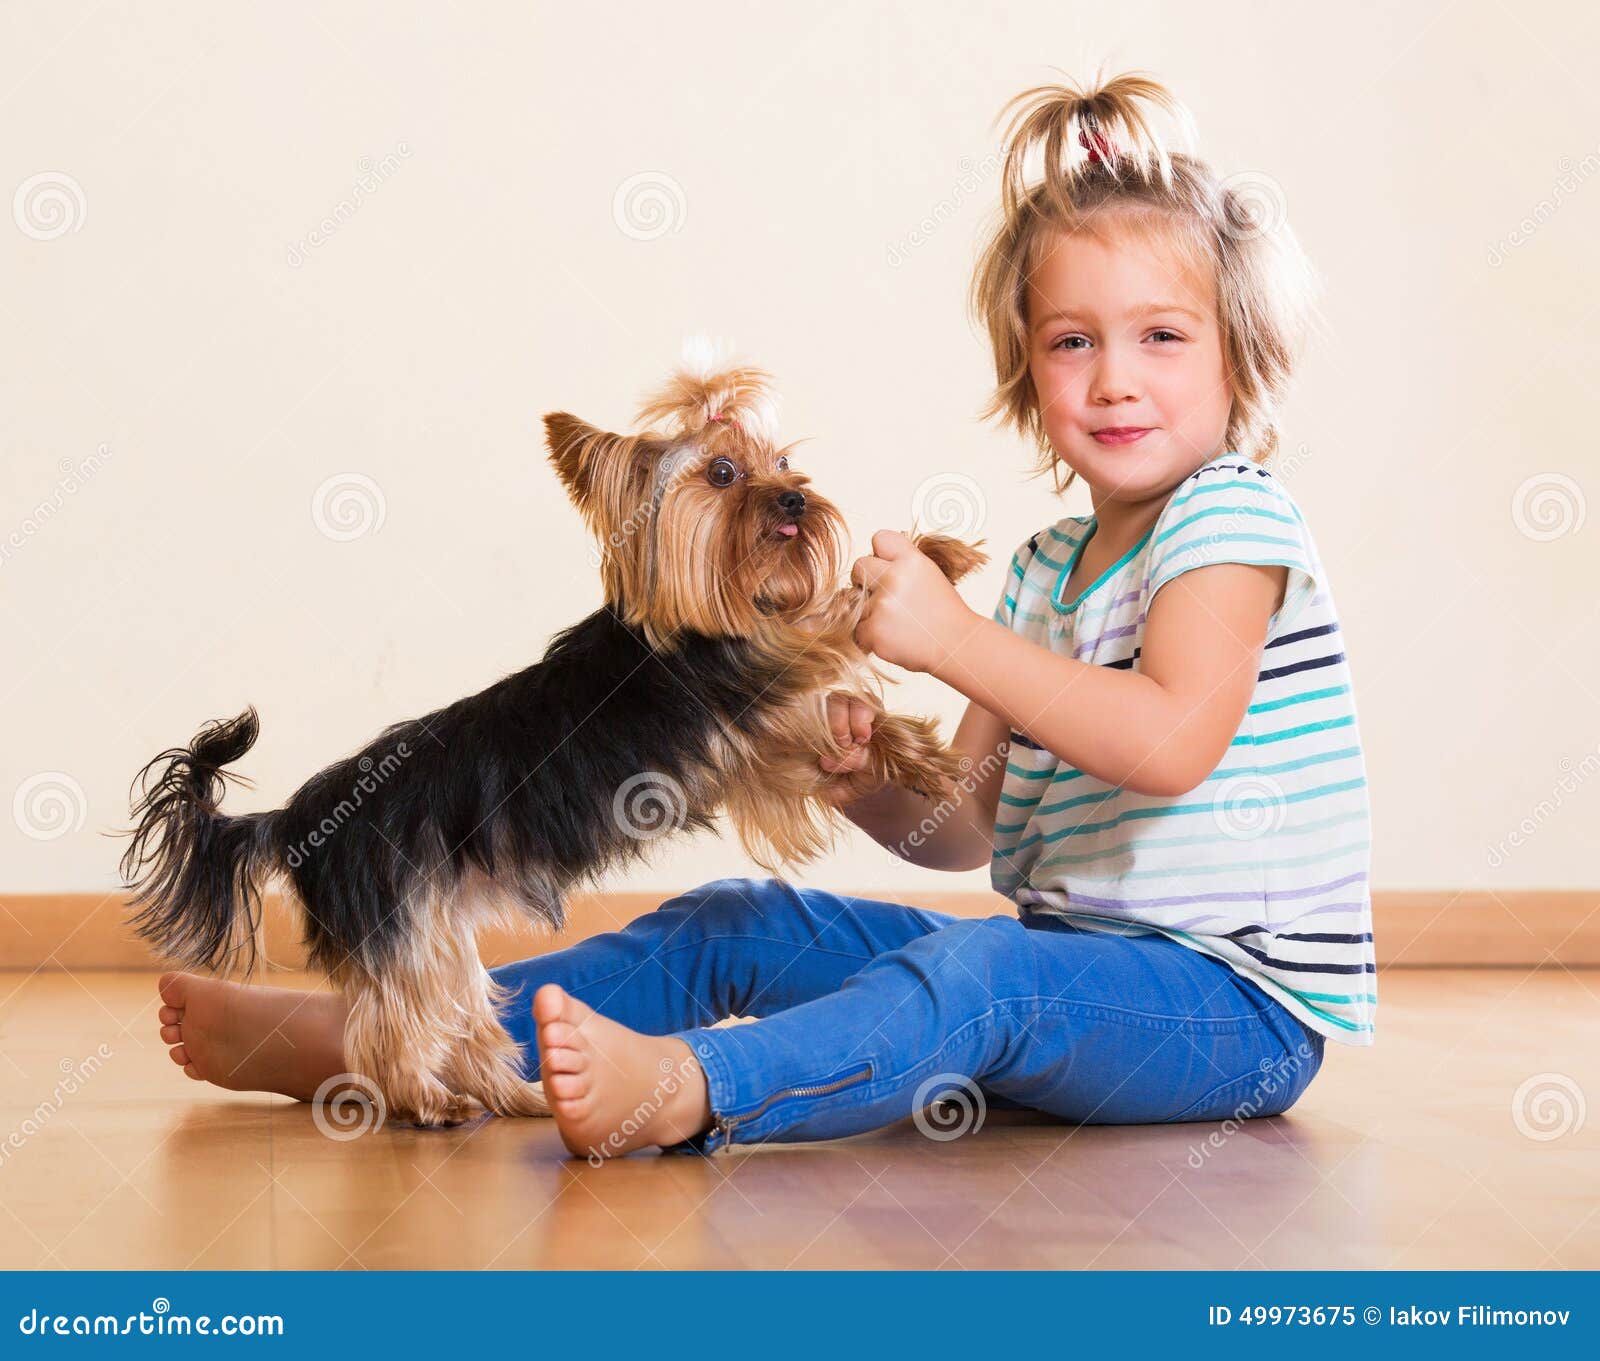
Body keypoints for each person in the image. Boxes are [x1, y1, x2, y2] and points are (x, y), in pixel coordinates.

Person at [156, 69, 1372, 1158]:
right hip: (1073, 979)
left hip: (1229, 1017)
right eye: (1073, 341)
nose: (1115, 376)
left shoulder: (1228, 523)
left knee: (982, 971)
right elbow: (967, 831)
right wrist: (863, 784)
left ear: (1239, 356)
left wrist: (953, 638)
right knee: (735, 921)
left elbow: (1167, 741)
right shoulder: (1050, 568)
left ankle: (695, 1083)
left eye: (1162, 336)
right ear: (1024, 367)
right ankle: (367, 1042)